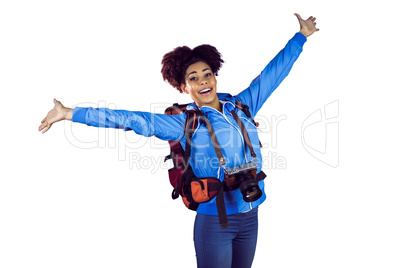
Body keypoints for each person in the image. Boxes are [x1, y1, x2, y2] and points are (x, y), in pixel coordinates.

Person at [39, 13, 319, 268]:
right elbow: (131, 119)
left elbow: (273, 74)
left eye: (207, 74)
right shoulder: (184, 123)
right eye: (194, 78)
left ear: (215, 77)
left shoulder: (242, 106)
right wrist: (69, 113)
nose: (203, 81)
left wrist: (300, 37)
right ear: (185, 88)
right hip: (215, 220)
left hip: (251, 213)